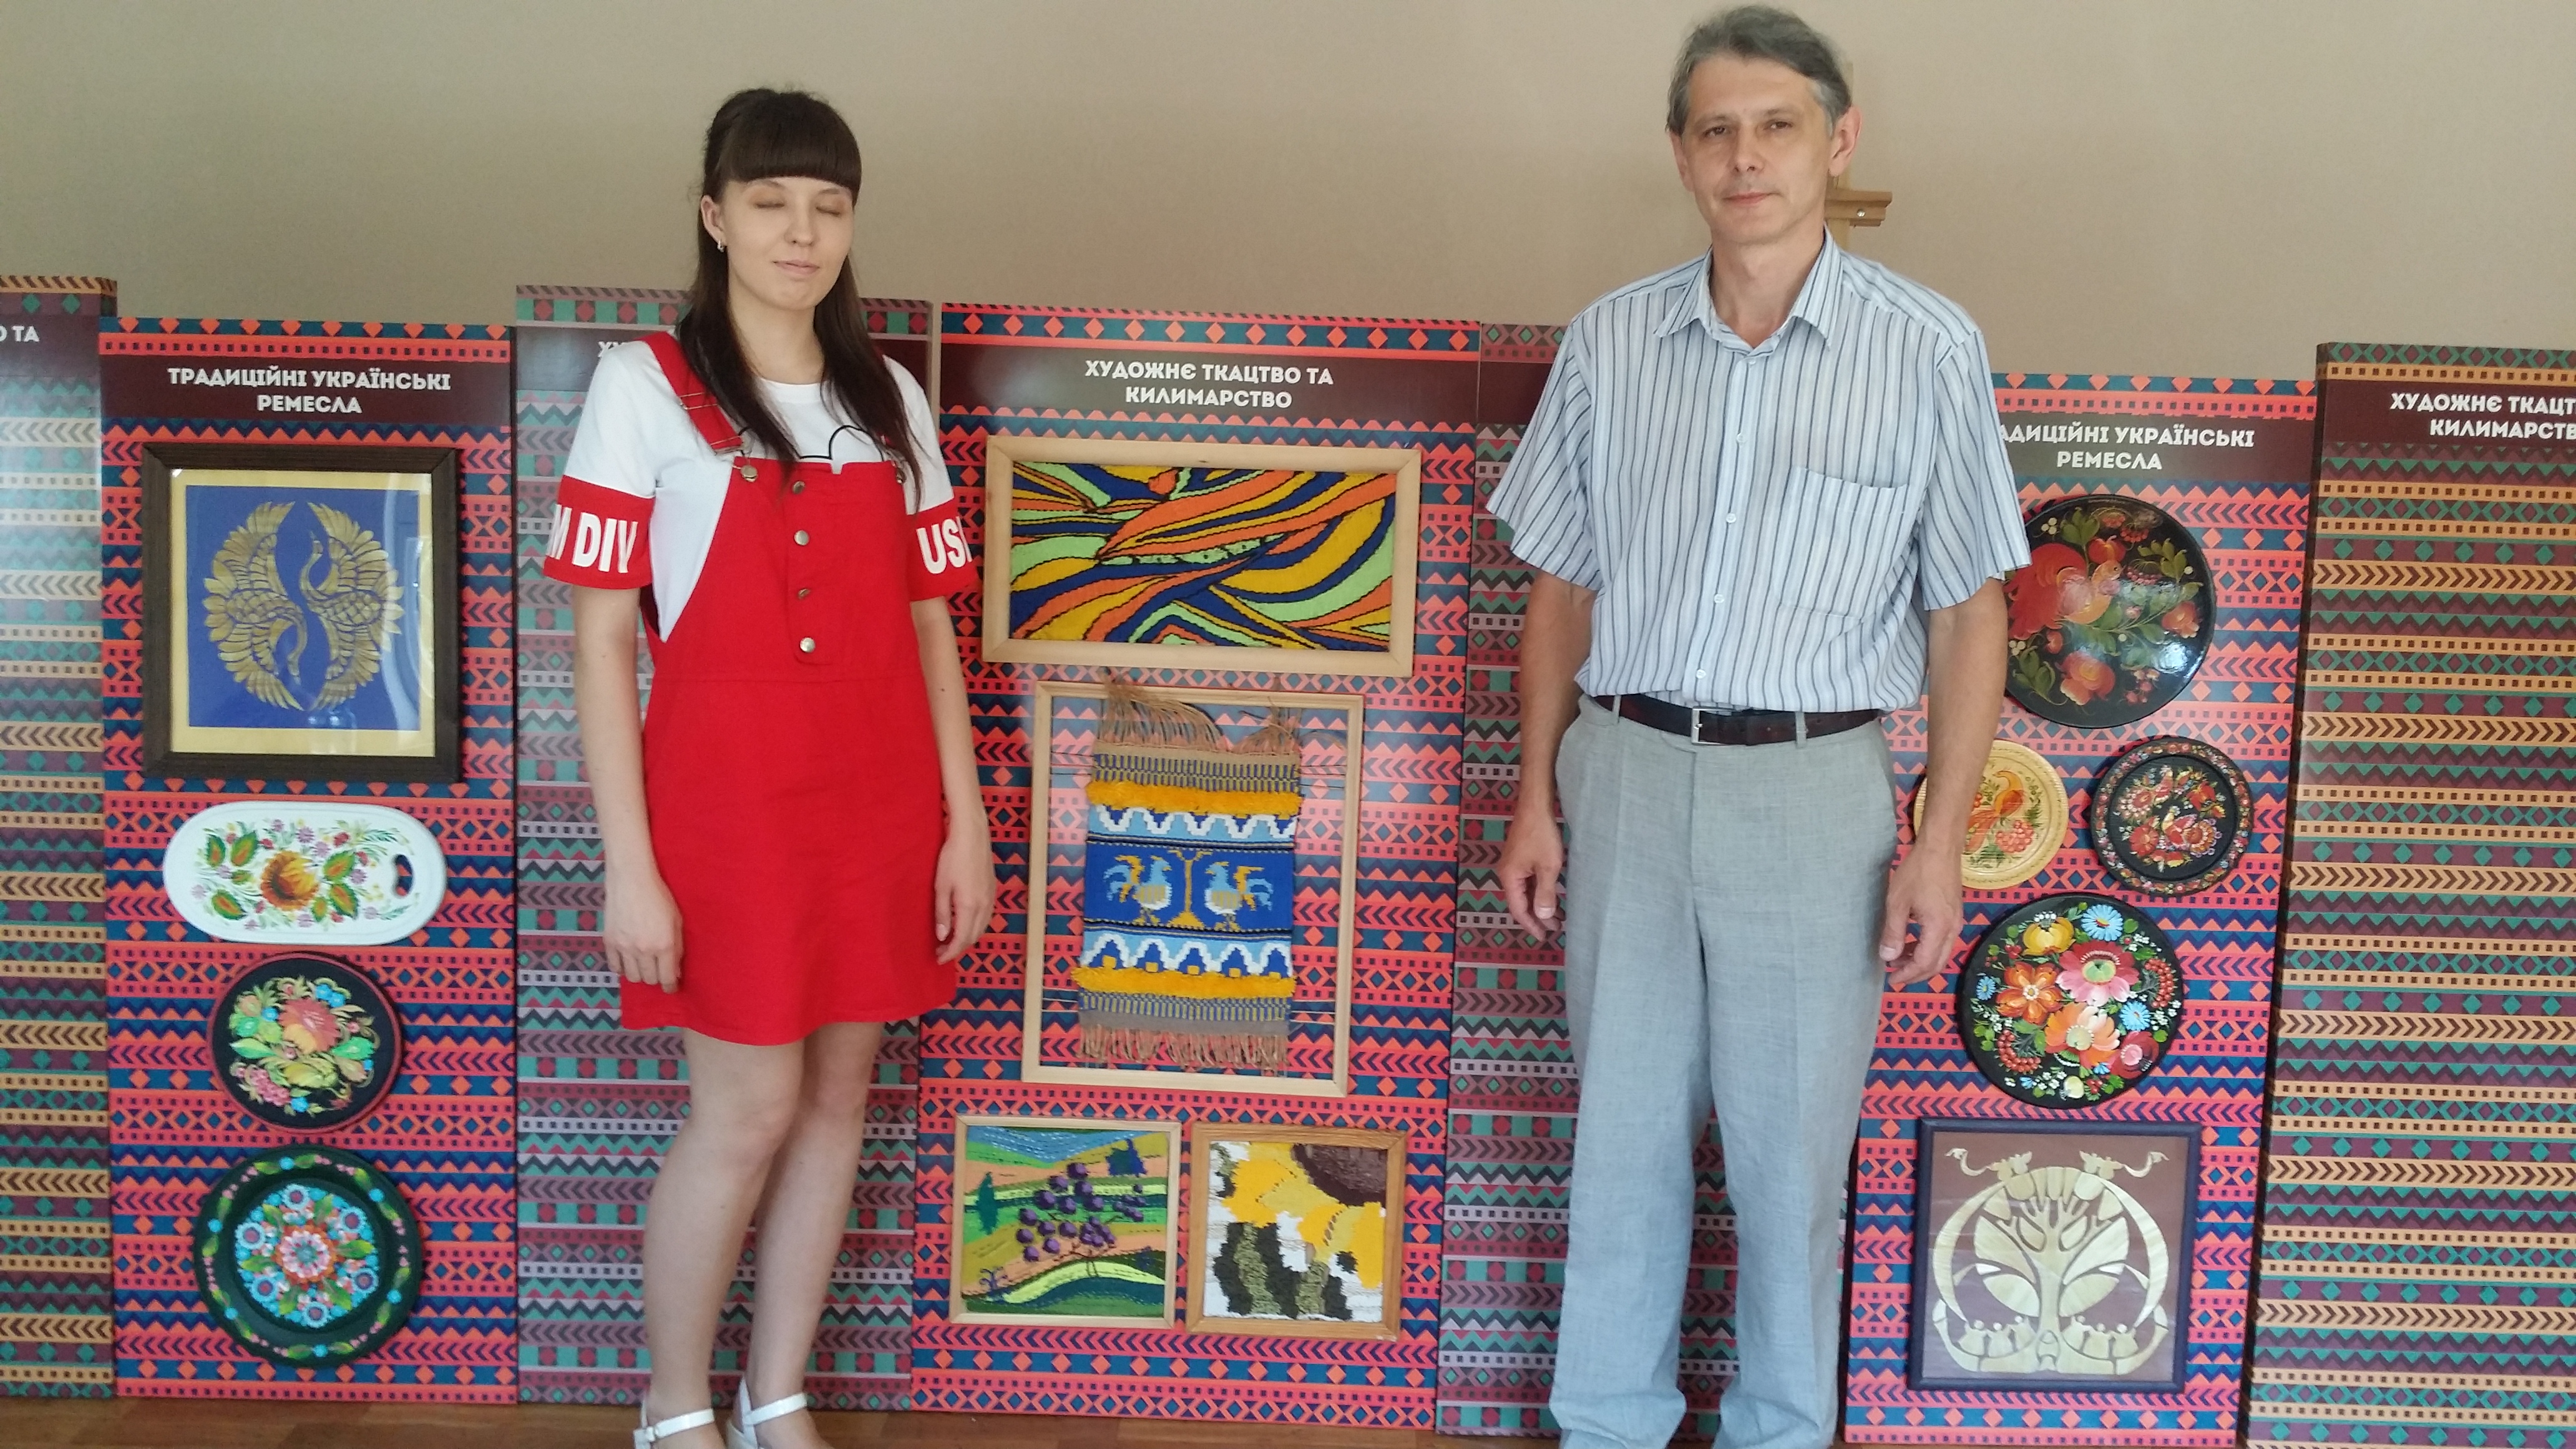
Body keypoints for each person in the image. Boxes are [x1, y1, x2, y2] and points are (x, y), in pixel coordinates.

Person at [1488, 9, 2026, 1449]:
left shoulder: (1926, 347)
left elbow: (1970, 614)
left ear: (1837, 142)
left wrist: (1939, 842)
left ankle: (1782, 1429)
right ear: (1680, 154)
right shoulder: (1612, 340)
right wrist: (1536, 795)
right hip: (1625, 773)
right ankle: (1607, 1423)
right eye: (1716, 129)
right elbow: (1561, 589)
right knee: (1621, 1151)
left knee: (1792, 1169)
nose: (1747, 156)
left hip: (1813, 789)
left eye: (1778, 125)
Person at [547, 89, 994, 1449]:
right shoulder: (645, 386)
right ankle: (675, 1405)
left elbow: (931, 629)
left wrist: (964, 826)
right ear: (715, 216)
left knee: (838, 1104)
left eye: (828, 206)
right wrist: (630, 868)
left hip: (879, 809)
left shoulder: (888, 397)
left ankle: (776, 1393)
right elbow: (602, 641)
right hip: (725, 815)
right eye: (770, 202)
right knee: (744, 1112)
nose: (802, 232)